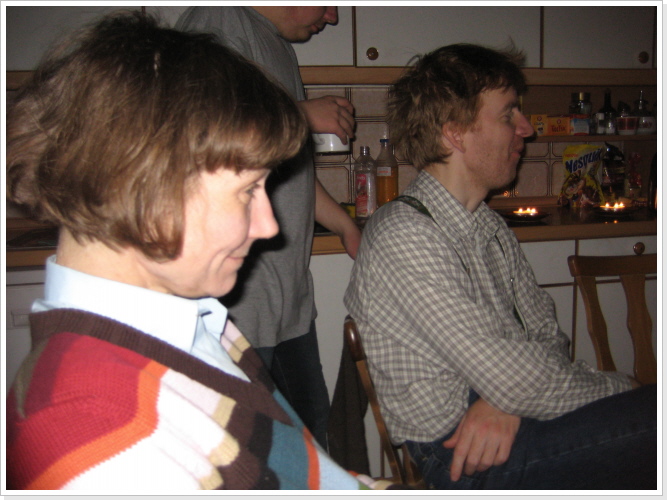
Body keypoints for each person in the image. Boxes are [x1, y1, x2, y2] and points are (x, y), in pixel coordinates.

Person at [5, 12, 397, 491]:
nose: (269, 227)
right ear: (146, 184)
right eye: (247, 191)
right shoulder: (102, 438)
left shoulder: (197, 321)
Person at [344, 43, 657, 490]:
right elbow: (516, 381)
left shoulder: (489, 226)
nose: (526, 128)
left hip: (510, 425)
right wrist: (624, 386)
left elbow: (547, 335)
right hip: (463, 458)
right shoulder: (404, 234)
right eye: (509, 114)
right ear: (455, 133)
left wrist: (504, 400)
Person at [175, 6, 361, 451]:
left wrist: (344, 226)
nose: (333, 16)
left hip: (287, 302)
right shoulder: (221, 20)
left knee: (310, 446)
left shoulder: (277, 46)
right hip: (238, 307)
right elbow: (201, 125)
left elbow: (286, 170)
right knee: (252, 454)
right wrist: (301, 114)